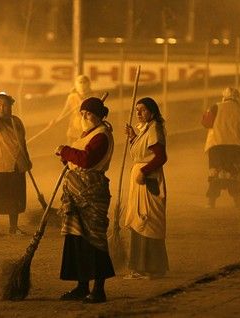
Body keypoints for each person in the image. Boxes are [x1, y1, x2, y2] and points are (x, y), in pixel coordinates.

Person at [55, 97, 115, 303]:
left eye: (88, 114)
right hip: (75, 192)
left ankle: (98, 289)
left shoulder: (102, 136)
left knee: (95, 240)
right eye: (82, 114)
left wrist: (66, 151)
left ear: (100, 116)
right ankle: (82, 286)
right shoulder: (87, 135)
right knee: (77, 238)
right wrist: (67, 156)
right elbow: (78, 158)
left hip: (91, 193)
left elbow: (88, 160)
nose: (84, 117)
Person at [123, 97, 169, 279]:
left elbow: (160, 157)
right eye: (137, 110)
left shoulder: (155, 128)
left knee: (147, 220)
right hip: (139, 182)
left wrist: (144, 171)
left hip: (149, 181)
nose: (139, 113)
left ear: (152, 111)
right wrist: (133, 137)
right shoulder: (146, 129)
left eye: (142, 110)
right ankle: (140, 267)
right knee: (138, 220)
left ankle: (152, 268)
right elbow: (144, 151)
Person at [0, 93, 31, 236]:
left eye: (5, 105)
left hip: (15, 165)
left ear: (11, 106)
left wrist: (27, 160)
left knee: (15, 198)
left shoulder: (17, 121)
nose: (2, 108)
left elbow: (22, 143)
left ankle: (13, 228)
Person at [202, 87, 240, 210]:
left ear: (224, 97)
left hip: (217, 145)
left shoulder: (215, 107)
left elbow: (205, 123)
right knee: (236, 174)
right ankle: (237, 202)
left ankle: (211, 202)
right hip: (236, 147)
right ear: (237, 98)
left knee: (216, 173)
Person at [50, 75, 95, 144]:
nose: (82, 84)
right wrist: (56, 121)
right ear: (76, 84)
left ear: (88, 84)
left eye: (84, 82)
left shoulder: (94, 97)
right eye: (80, 82)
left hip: (88, 131)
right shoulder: (72, 97)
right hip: (74, 131)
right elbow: (64, 113)